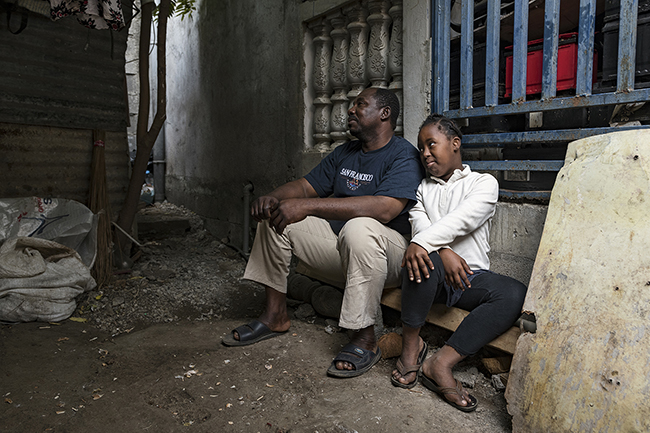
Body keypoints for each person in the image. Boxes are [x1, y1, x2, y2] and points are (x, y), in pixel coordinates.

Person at [222, 87, 424, 378]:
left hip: (389, 258)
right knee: (275, 217)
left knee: (360, 226)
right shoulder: (345, 153)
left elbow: (384, 209)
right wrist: (274, 198)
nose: (351, 110)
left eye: (360, 104)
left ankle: (364, 337)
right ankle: (275, 315)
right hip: (342, 249)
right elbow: (305, 186)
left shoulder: (403, 155)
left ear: (385, 113)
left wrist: (306, 206)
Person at [391, 114, 527, 411]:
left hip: (470, 278)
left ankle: (441, 362)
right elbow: (419, 230)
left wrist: (432, 246)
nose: (425, 153)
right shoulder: (421, 190)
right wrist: (443, 253)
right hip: (432, 278)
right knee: (421, 256)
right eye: (421, 148)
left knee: (514, 293)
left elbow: (461, 221)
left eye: (431, 144)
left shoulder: (484, 184)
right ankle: (410, 348)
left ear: (455, 144)